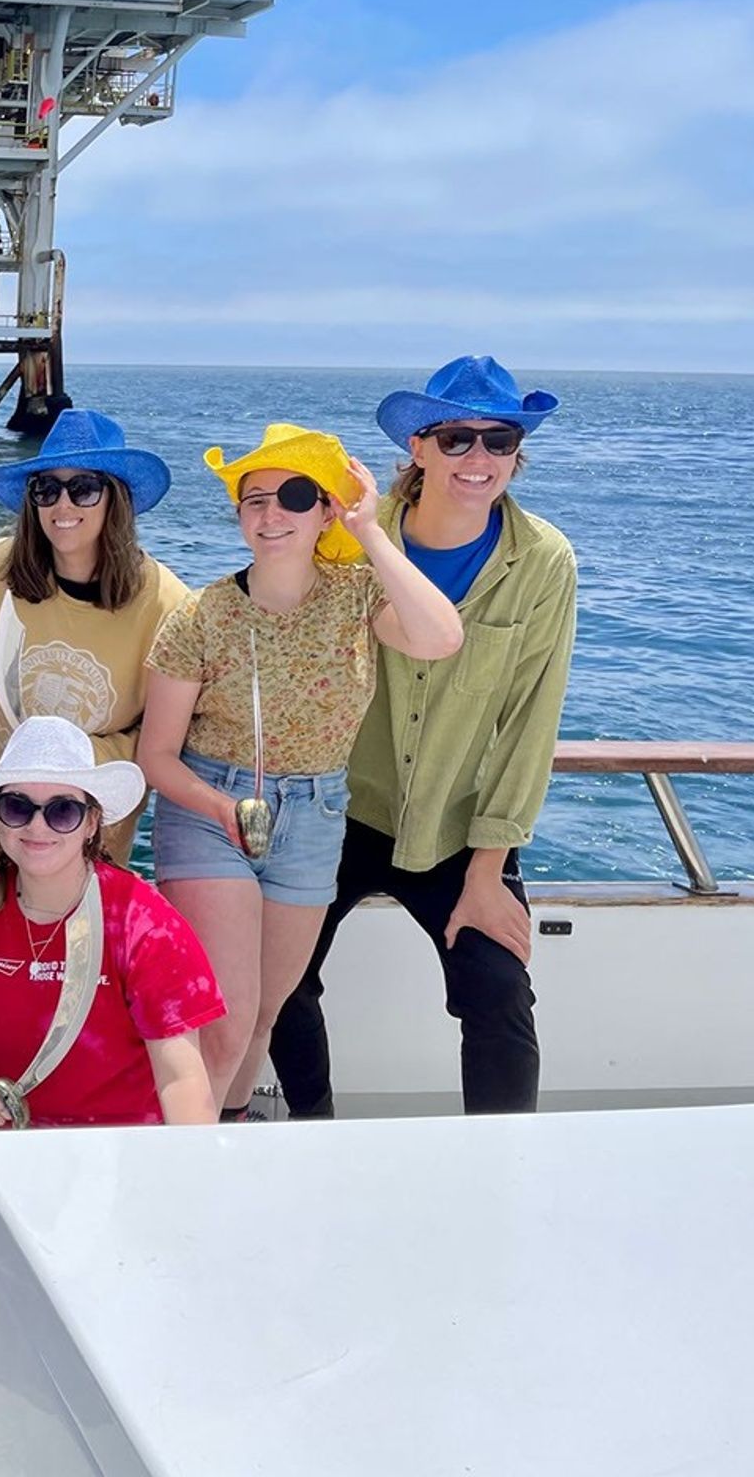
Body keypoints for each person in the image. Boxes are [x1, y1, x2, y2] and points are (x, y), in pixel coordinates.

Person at [270, 359, 577, 1117]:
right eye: (456, 439)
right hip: (339, 810)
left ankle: (501, 1163)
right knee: (279, 976)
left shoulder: (544, 562)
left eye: (499, 440)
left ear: (517, 453)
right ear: (418, 447)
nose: (478, 457)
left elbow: (531, 720)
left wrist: (488, 869)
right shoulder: (352, 540)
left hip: (457, 823)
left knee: (499, 991)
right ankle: (312, 1130)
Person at [139, 425, 462, 1119]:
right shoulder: (200, 617)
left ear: (325, 511)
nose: (271, 513)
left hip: (315, 814)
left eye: (294, 497)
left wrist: (370, 531)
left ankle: (222, 1130)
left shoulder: (357, 596)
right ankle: (189, 1162)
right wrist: (220, 808)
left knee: (265, 1014)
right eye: (254, 500)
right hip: (211, 809)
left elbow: (441, 637)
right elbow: (156, 756)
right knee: (227, 1017)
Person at [0, 717, 225, 1325]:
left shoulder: (144, 922)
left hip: (110, 1156)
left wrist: (191, 1196)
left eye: (62, 810)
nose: (37, 827)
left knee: (102, 1311)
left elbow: (181, 1074)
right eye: (18, 807)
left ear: (91, 823)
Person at [0, 408, 189, 867]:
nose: (63, 505)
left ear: (116, 498)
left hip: (90, 844)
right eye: (46, 489)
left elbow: (166, 742)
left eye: (84, 489)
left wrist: (72, 757)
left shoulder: (167, 603)